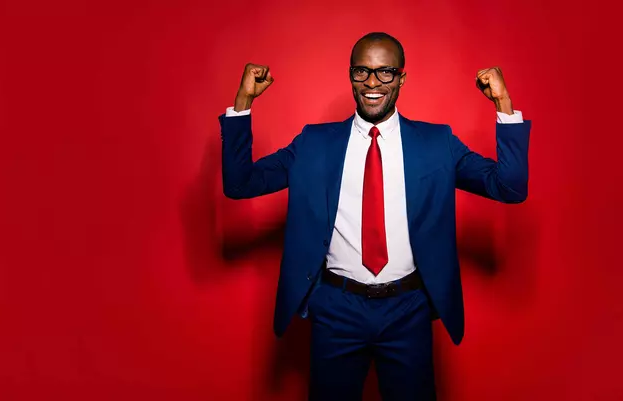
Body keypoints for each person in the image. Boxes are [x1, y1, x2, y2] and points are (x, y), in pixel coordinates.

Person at [218, 32, 531, 400]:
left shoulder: (437, 143)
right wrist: (243, 103)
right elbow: (240, 184)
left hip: (408, 310)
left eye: (385, 72)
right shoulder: (313, 143)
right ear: (350, 75)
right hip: (336, 309)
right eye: (361, 72)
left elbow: (509, 188)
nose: (372, 82)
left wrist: (503, 104)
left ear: (402, 78)